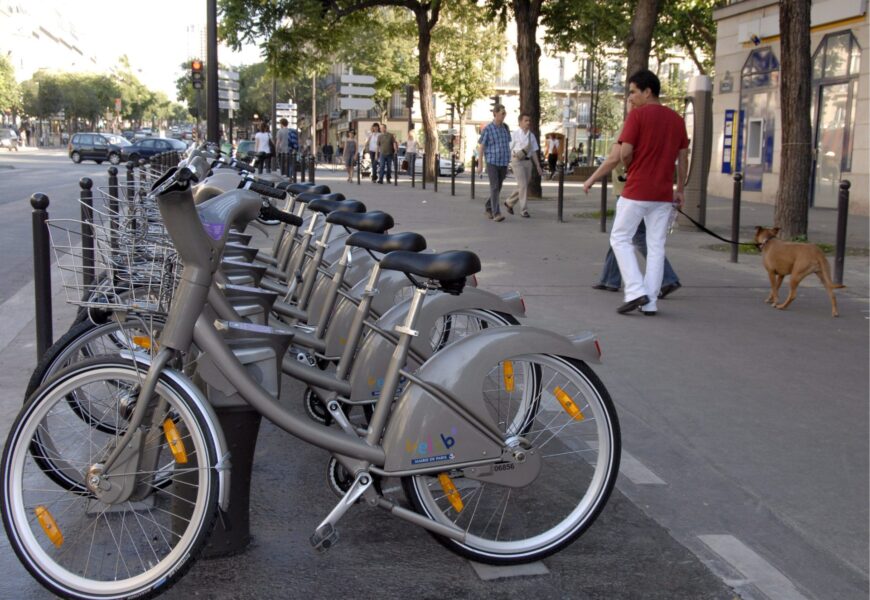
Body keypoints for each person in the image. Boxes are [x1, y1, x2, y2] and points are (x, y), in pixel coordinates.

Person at [610, 69, 689, 316]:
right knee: (656, 246)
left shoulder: (638, 116)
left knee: (620, 237)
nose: (631, 97)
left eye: (633, 92)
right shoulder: (677, 120)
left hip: (636, 189)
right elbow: (683, 158)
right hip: (664, 193)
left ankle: (635, 291)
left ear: (647, 91)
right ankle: (651, 302)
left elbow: (624, 152)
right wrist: (680, 189)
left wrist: (631, 165)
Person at [584, 116, 681, 297]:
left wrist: (591, 179)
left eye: (633, 94)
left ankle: (666, 280)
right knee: (621, 234)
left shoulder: (635, 123)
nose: (630, 100)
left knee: (634, 236)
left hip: (632, 189)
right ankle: (610, 278)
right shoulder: (656, 123)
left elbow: (616, 157)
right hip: (647, 189)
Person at [504, 113, 543, 218]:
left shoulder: (531, 136)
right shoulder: (515, 134)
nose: (528, 122)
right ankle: (523, 210)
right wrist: (506, 163)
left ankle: (509, 202)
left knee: (523, 185)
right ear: (520, 122)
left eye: (529, 120)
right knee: (523, 185)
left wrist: (538, 165)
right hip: (517, 161)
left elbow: (534, 152)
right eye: (526, 120)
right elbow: (509, 149)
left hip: (527, 162)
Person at [476, 103, 511, 222]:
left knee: (498, 187)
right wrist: (480, 164)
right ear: (495, 114)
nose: (504, 116)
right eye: (502, 113)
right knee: (495, 187)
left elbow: (508, 144)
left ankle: (488, 206)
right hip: (492, 162)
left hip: (503, 162)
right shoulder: (488, 129)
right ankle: (496, 213)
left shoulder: (506, 127)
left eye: (505, 113)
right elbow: (481, 147)